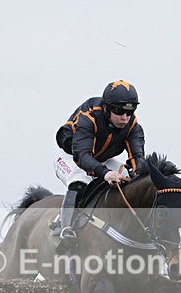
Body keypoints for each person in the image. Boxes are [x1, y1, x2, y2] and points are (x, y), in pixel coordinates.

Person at [53, 80, 145, 253]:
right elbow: (82, 156)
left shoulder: (132, 125)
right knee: (79, 179)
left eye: (130, 111)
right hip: (72, 156)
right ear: (106, 108)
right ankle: (66, 230)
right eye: (119, 111)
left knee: (131, 179)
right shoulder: (89, 116)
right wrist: (104, 173)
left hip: (102, 158)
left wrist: (137, 173)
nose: (125, 117)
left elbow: (137, 158)